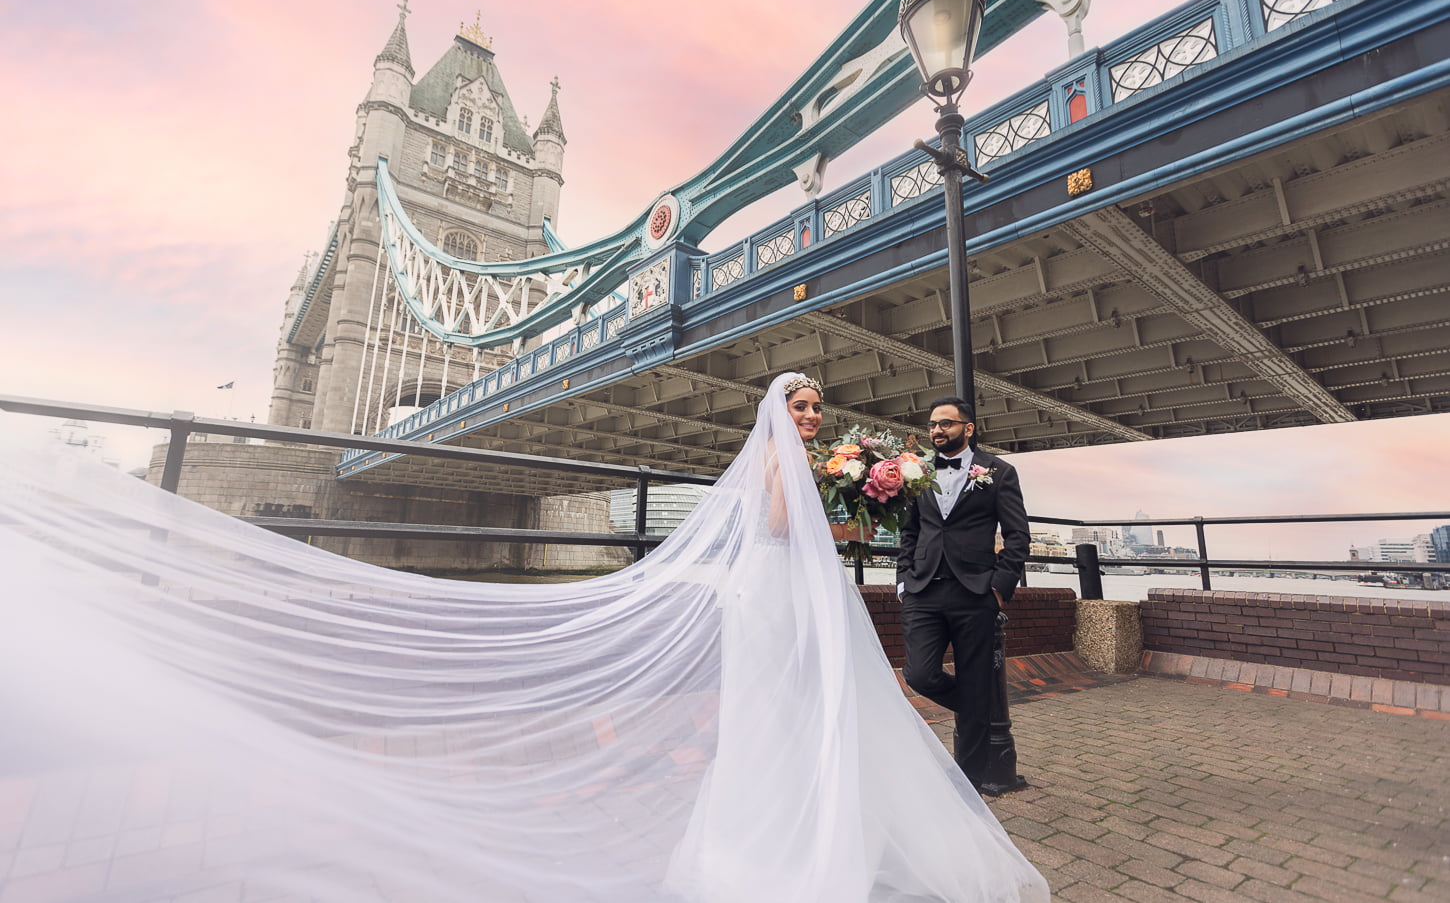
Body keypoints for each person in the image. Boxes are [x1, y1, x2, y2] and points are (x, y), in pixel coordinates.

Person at [0, 373, 1046, 902]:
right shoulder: (787, 468)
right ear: (787, 414)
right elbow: (781, 527)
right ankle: (797, 840)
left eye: (819, 409)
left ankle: (803, 827)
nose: (814, 418)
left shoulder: (815, 460)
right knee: (785, 711)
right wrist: (845, 503)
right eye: (806, 406)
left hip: (785, 592)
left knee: (790, 714)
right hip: (774, 591)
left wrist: (854, 498)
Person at [897, 395, 1030, 791]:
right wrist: (904, 581)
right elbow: (909, 531)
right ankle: (977, 708)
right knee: (920, 674)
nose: (937, 430)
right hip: (923, 590)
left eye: (947, 424)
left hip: (976, 593)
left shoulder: (999, 471)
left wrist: (999, 590)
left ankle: (968, 783)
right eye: (934, 424)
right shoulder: (915, 472)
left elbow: (1018, 537)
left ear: (968, 428)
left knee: (975, 681)